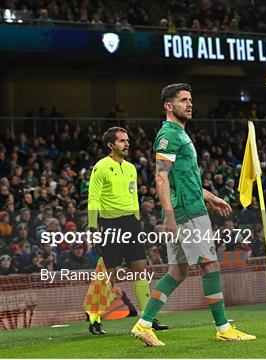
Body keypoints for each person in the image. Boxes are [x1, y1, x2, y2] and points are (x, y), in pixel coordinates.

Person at [131, 83, 255, 346]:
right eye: (183, 100)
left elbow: (184, 178)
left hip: (189, 206)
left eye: (190, 100)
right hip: (187, 211)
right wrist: (169, 216)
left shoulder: (180, 134)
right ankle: (223, 327)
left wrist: (210, 197)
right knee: (210, 263)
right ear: (168, 106)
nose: (189, 104)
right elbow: (161, 177)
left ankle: (144, 324)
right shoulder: (169, 134)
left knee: (177, 271)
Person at [87, 127, 165, 335]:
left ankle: (147, 319)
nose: (126, 144)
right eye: (121, 141)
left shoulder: (131, 168)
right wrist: (93, 227)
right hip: (110, 226)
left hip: (131, 225)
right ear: (111, 145)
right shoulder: (101, 167)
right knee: (108, 276)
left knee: (141, 270)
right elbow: (93, 198)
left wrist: (138, 221)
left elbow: (133, 197)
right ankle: (94, 320)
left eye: (127, 140)